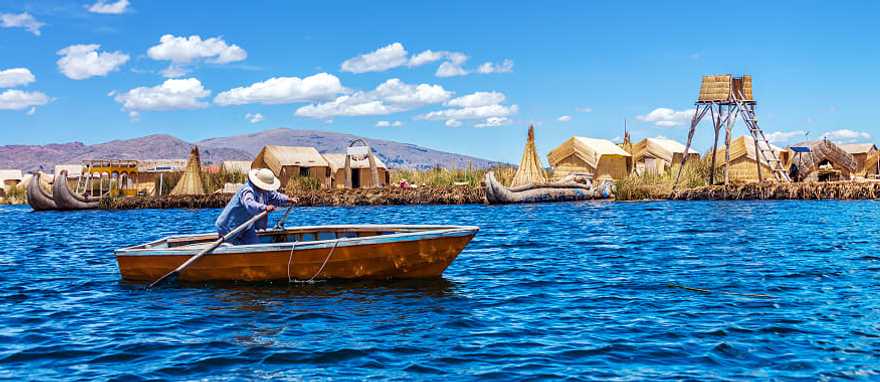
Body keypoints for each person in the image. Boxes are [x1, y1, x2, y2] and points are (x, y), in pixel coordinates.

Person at [215, 168, 292, 245]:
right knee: (233, 251)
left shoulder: (265, 191)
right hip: (229, 228)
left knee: (256, 247)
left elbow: (275, 197)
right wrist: (264, 207)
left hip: (246, 227)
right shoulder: (247, 190)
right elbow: (250, 204)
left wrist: (288, 199)